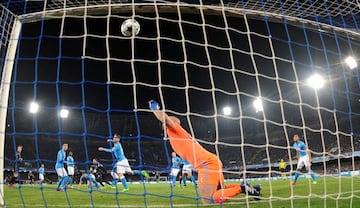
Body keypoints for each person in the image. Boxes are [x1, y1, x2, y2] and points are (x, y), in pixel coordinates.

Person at [149, 100, 261, 204]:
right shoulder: (176, 136)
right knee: (220, 190)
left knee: (208, 200)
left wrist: (155, 108)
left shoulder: (175, 129)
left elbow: (166, 119)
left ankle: (242, 188)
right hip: (209, 162)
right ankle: (247, 187)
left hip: (206, 164)